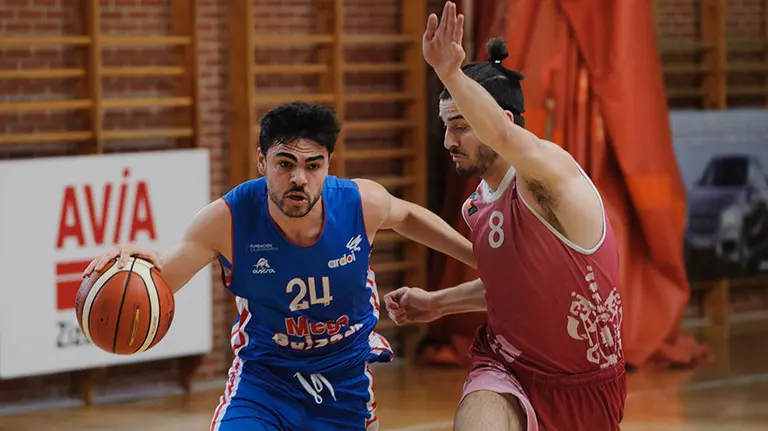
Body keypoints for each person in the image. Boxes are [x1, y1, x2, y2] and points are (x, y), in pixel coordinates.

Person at [82, 101, 476, 431]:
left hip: (343, 383)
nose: (298, 178)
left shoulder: (359, 202)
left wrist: (479, 258)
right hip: (265, 383)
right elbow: (162, 280)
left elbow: (407, 216)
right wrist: (134, 267)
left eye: (313, 165)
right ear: (261, 161)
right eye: (284, 163)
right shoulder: (227, 219)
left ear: (328, 165)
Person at [384, 2, 626, 431]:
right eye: (445, 127)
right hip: (504, 368)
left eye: (460, 125)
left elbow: (502, 135)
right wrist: (438, 304)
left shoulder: (548, 173)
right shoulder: (476, 205)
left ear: (503, 118)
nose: (448, 141)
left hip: (586, 387)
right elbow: (511, 287)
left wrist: (450, 73)